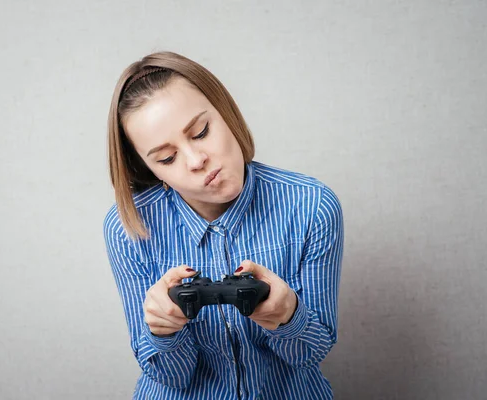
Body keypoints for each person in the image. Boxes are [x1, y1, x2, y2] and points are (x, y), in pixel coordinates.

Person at [103, 51, 344, 400]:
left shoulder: (312, 205)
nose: (197, 160)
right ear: (151, 171)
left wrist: (288, 315)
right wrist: (163, 332)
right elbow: (172, 378)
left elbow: (310, 353)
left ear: (225, 112)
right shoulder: (129, 227)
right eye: (167, 158)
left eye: (201, 132)